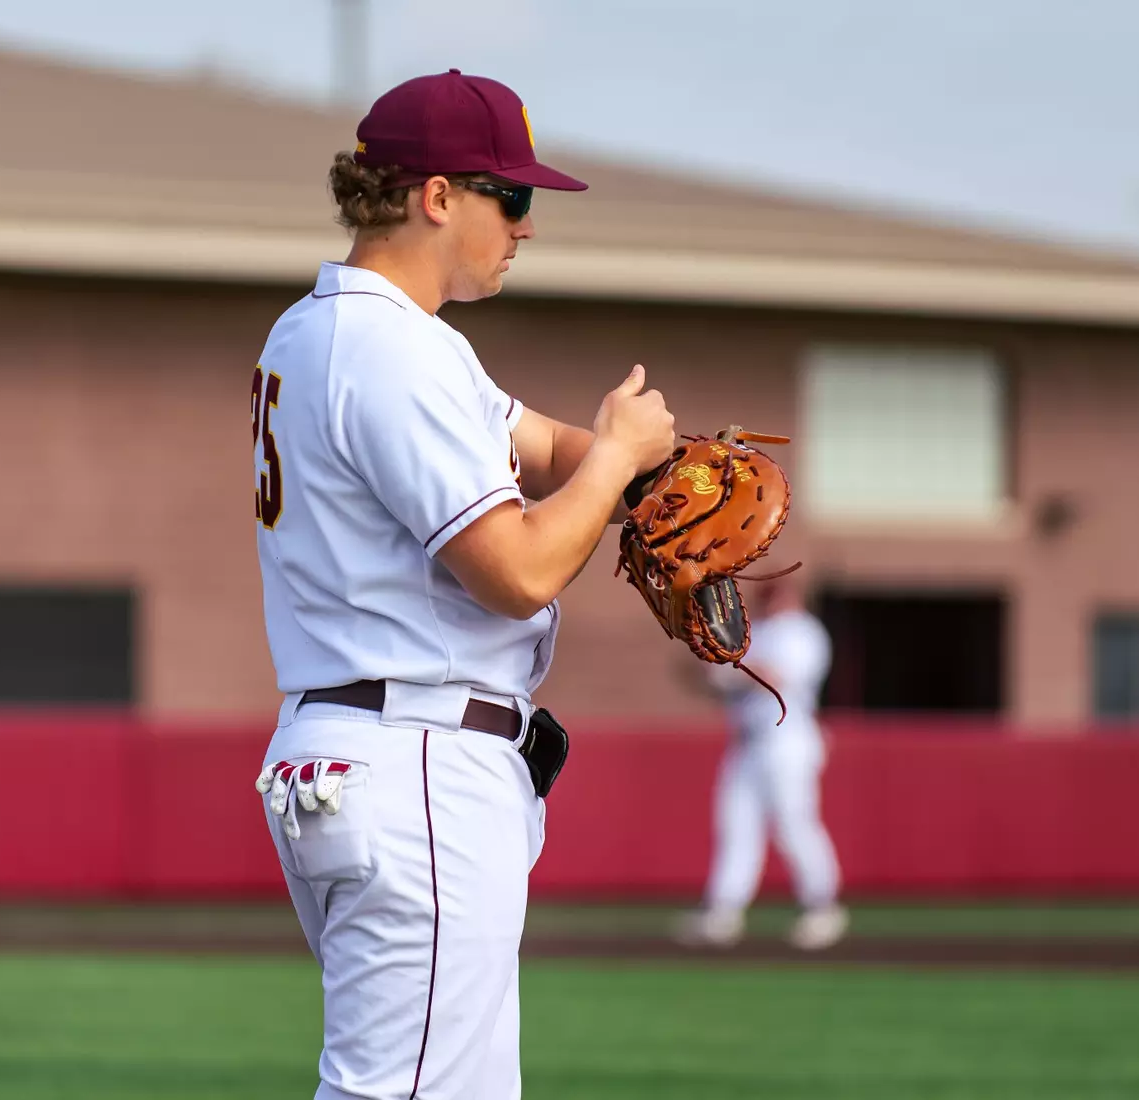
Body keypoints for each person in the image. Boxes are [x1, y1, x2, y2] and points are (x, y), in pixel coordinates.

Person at [248, 69, 676, 1099]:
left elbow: (543, 449)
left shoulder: (333, 328)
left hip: (366, 743)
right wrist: (620, 458)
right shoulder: (390, 351)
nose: (526, 225)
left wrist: (656, 477)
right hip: (417, 760)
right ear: (438, 196)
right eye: (511, 195)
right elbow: (517, 570)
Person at [674, 575, 849, 951]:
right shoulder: (758, 631)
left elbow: (772, 677)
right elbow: (721, 683)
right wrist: (706, 662)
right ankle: (723, 911)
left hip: (787, 740)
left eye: (777, 590)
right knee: (736, 825)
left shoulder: (801, 631)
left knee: (794, 824)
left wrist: (725, 665)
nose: (768, 597)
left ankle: (822, 906)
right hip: (748, 742)